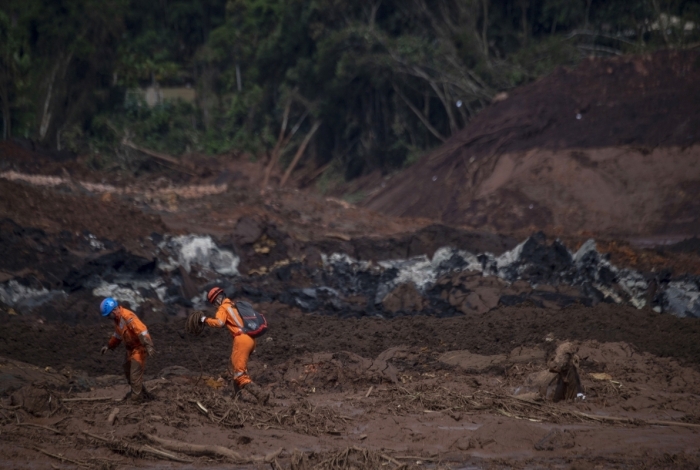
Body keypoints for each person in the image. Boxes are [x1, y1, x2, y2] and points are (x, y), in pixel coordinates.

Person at [201, 287, 270, 404]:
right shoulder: (234, 305)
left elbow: (219, 323)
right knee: (236, 369)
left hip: (241, 340)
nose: (215, 306)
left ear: (217, 300)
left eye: (214, 303)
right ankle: (237, 399)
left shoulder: (223, 307)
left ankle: (260, 394)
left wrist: (204, 319)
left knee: (239, 375)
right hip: (251, 339)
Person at [99, 297, 156, 402]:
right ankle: (141, 393)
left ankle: (137, 399)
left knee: (134, 375)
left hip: (139, 348)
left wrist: (148, 345)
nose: (108, 318)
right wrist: (109, 345)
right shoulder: (118, 320)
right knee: (128, 370)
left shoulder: (127, 316)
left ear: (113, 311)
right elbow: (117, 335)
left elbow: (141, 330)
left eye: (108, 315)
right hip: (130, 349)